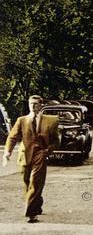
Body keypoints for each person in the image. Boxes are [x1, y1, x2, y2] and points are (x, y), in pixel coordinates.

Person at [2, 95, 59, 223]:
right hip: (25, 155)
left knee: (36, 182)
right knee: (27, 182)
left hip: (40, 154)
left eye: (36, 104)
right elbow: (12, 137)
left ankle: (31, 213)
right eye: (31, 104)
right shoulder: (21, 120)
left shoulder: (51, 121)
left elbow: (56, 141)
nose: (33, 106)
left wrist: (47, 151)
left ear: (41, 105)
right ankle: (37, 204)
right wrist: (7, 152)